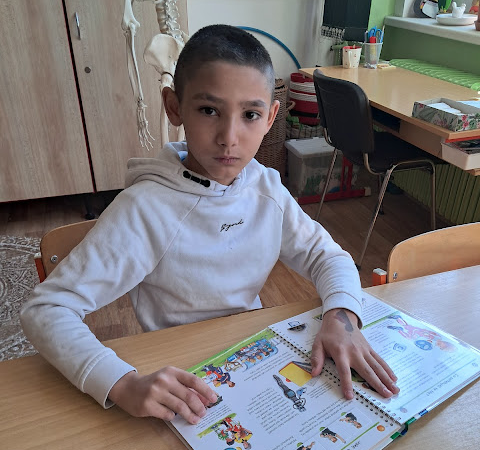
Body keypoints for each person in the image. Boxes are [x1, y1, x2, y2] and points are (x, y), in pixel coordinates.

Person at [21, 24, 398, 426]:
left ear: (271, 118)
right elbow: (46, 310)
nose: (229, 138)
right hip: (181, 376)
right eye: (208, 111)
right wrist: (121, 383)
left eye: (250, 115)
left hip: (256, 361)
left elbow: (328, 257)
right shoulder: (145, 209)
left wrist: (341, 318)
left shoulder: (267, 189)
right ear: (174, 107)